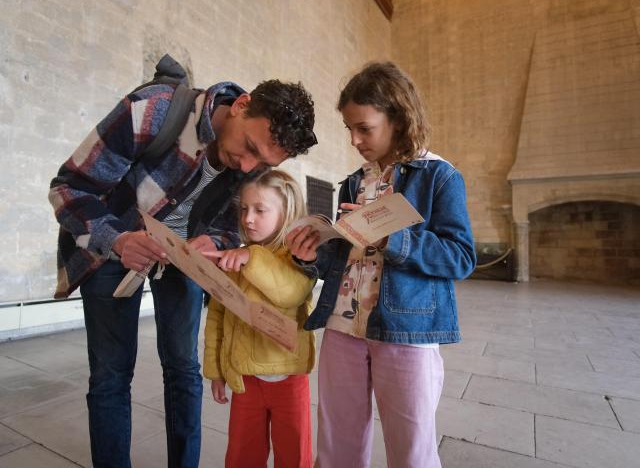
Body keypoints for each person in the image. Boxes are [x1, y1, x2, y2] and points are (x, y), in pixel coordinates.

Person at [48, 71, 317, 468]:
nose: (246, 165)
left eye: (261, 161)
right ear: (241, 105)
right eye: (248, 147)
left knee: (183, 370)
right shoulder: (153, 111)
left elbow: (231, 227)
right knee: (110, 375)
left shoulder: (253, 162)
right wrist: (118, 238)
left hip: (183, 261)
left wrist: (220, 242)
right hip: (112, 248)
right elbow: (68, 187)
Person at [286, 61, 476, 468]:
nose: (354, 140)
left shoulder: (440, 177)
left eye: (364, 128)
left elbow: (461, 257)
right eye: (349, 129)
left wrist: (395, 238)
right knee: (337, 444)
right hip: (342, 324)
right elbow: (348, 254)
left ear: (398, 118)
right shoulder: (354, 182)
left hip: (406, 330)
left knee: (411, 449)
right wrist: (314, 250)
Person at [203, 169, 316, 468]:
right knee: (242, 454)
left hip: (289, 379)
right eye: (244, 209)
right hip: (245, 378)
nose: (248, 218)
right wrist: (216, 369)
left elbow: (291, 292)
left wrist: (253, 257)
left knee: (294, 455)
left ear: (287, 212)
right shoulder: (234, 258)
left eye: (260, 210)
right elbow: (216, 317)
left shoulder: (300, 258)